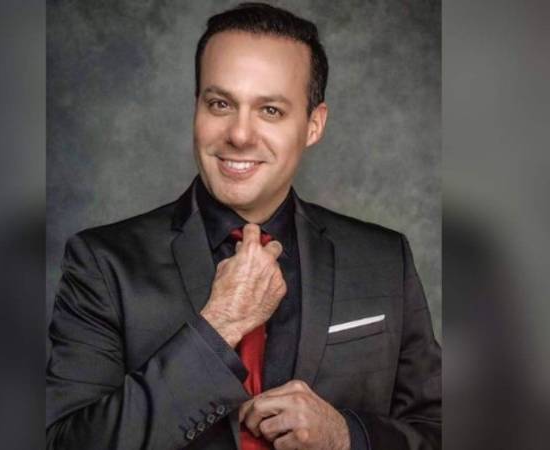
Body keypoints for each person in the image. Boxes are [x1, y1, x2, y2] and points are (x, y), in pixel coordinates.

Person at [46, 3, 441, 449]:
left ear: (313, 125)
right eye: (220, 104)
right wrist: (220, 326)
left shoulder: (384, 259)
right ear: (196, 108)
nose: (239, 135)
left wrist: (347, 437)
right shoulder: (102, 263)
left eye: (270, 110)